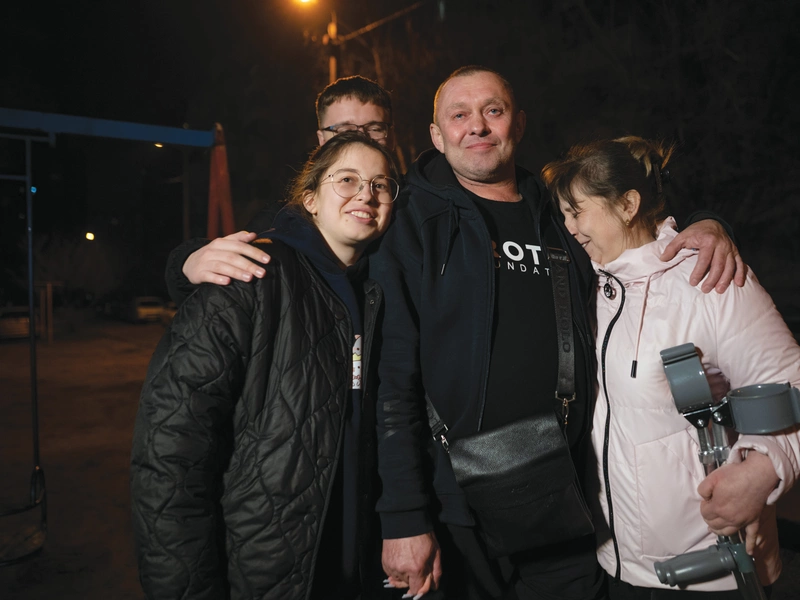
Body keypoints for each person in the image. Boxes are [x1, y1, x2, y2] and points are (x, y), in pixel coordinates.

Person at [369, 66, 746, 600]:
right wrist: (404, 515)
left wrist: (708, 222)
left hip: (563, 497)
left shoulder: (558, 209)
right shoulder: (408, 220)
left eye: (492, 111)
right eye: (459, 115)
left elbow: (638, 216)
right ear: (436, 134)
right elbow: (392, 380)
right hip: (455, 509)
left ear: (517, 123)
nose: (476, 126)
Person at [130, 131, 400, 600]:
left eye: (381, 184)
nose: (366, 194)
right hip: (260, 570)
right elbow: (169, 454)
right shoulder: (248, 272)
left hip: (348, 571)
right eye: (348, 180)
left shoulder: (377, 291)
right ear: (310, 198)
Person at [541, 136, 800, 599]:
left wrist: (763, 470)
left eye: (577, 210)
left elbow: (791, 384)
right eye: (563, 213)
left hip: (710, 566)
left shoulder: (707, 279)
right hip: (616, 564)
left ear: (628, 204)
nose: (569, 226)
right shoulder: (590, 286)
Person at [165, 75, 395, 303]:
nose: (361, 139)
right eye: (345, 129)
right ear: (322, 139)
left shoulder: (410, 207)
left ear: (390, 137)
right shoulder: (283, 223)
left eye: (375, 129)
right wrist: (189, 261)